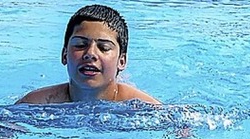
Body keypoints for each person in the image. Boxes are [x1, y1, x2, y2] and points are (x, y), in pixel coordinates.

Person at [15, 5, 160, 105]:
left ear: (121, 61)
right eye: (80, 45)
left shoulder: (141, 107)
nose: (90, 53)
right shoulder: (36, 103)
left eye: (103, 48)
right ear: (64, 55)